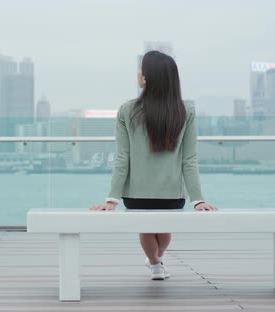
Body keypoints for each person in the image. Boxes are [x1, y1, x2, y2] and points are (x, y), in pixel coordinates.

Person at [90, 50, 217, 281]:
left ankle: (155, 263)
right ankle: (156, 261)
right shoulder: (186, 110)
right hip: (172, 193)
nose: (137, 74)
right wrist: (197, 199)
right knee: (164, 229)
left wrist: (112, 198)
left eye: (140, 70)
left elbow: (122, 157)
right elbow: (189, 159)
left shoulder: (127, 110)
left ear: (147, 77)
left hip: (136, 194)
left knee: (147, 229)